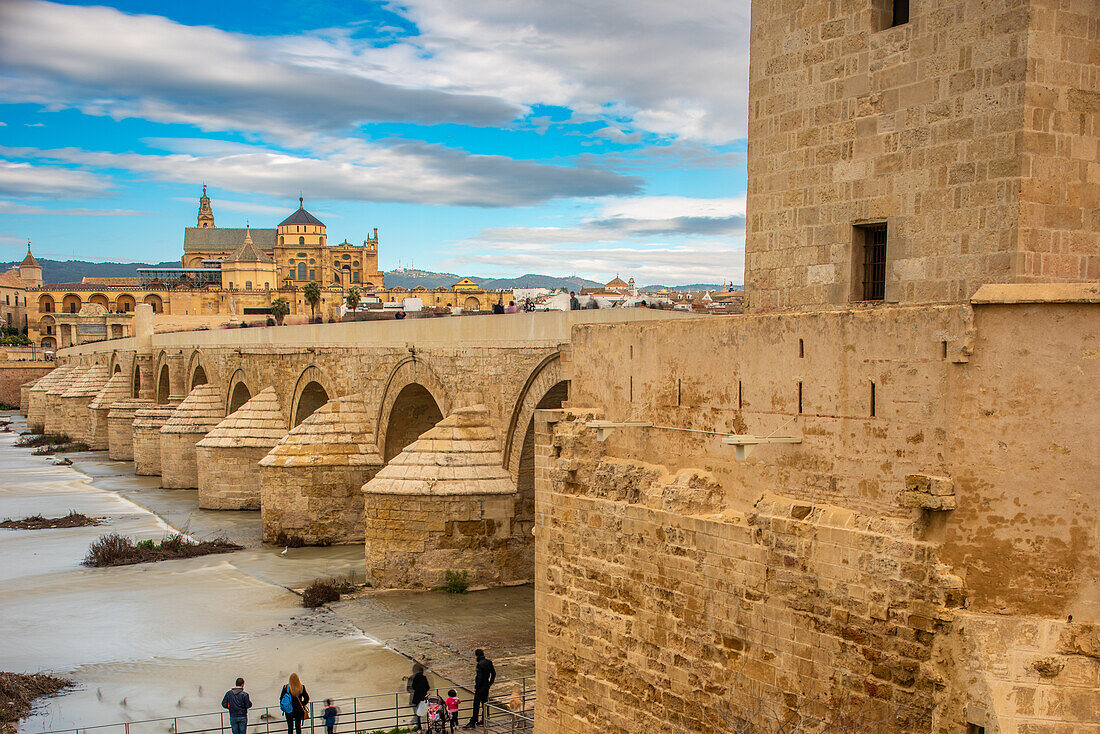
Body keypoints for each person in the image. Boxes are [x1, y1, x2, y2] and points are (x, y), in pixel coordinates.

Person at [462, 649, 496, 729]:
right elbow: (493, 673)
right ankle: (485, 720)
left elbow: (479, 677)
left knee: (476, 705)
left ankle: (473, 722)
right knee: (485, 703)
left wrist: (476, 687)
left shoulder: (480, 664)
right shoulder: (489, 662)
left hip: (480, 687)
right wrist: (490, 683)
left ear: (476, 655)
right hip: (486, 686)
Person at [408, 663, 430, 731]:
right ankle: (423, 727)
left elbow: (411, 688)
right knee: (423, 712)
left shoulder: (412, 678)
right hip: (423, 697)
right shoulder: (424, 678)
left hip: (415, 698)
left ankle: (417, 728)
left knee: (417, 713)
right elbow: (427, 687)